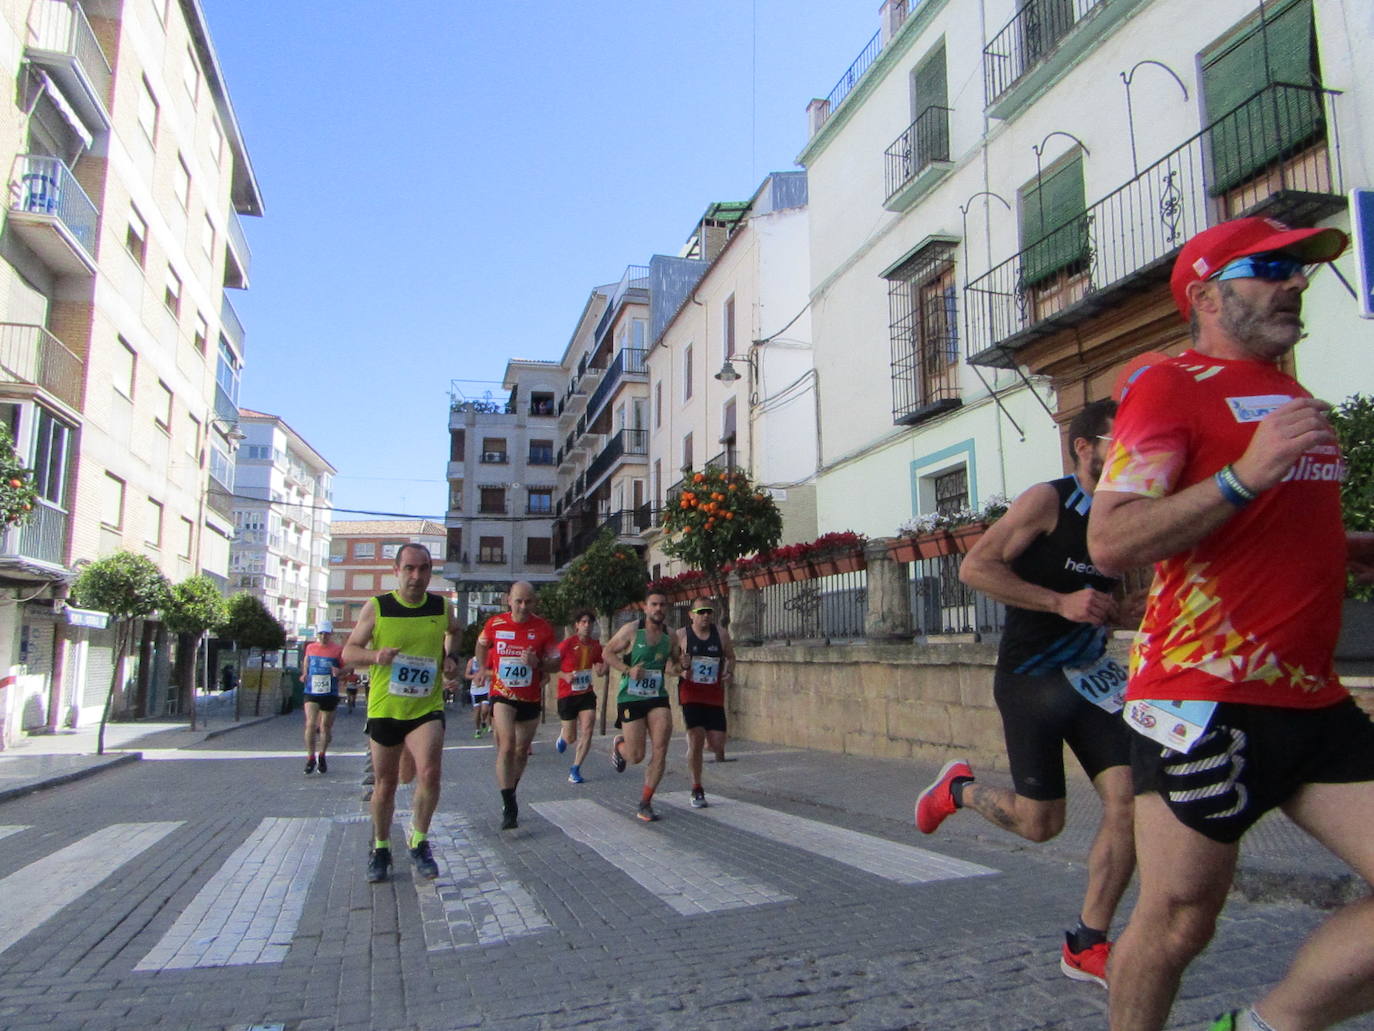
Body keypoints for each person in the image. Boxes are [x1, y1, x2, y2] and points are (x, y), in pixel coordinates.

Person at [1085, 216, 1374, 1031]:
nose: (1294, 281)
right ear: (1208, 293)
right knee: (1178, 920)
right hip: (1203, 699)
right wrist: (1247, 477)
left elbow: (1261, 528)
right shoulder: (1168, 385)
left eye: (1300, 269)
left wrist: (1345, 546)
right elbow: (1111, 538)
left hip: (1311, 699)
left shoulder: (1294, 393)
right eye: (1273, 266)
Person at [915, 399, 1135, 988]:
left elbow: (1134, 596)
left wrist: (1121, 609)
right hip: (1031, 680)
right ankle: (957, 789)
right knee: (1042, 825)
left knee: (1130, 801)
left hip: (1092, 681)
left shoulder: (1127, 512)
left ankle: (1089, 943)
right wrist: (1061, 602)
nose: (1133, 449)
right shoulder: (1049, 501)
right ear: (1084, 446)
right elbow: (974, 570)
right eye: (1122, 437)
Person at [343, 543, 461, 884]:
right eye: (409, 568)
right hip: (386, 708)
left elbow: (454, 631)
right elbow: (350, 652)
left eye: (423, 569)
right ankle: (380, 847)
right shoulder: (377, 607)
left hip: (426, 707)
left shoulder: (441, 606)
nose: (416, 576)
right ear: (396, 571)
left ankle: (419, 840)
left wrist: (450, 658)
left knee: (430, 772)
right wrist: (376, 656)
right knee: (386, 784)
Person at [474, 581, 560, 830]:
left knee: (522, 751)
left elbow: (555, 662)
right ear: (508, 600)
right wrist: (482, 667)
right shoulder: (495, 624)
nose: (523, 606)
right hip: (502, 694)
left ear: (535, 602)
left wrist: (538, 663)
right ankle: (509, 804)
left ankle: (510, 792)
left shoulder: (543, 628)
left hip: (530, 698)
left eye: (528, 601)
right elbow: (481, 644)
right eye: (518, 600)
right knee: (507, 745)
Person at [604, 590, 681, 822]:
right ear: (645, 608)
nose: (658, 609)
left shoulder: (671, 636)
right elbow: (607, 652)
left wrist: (681, 665)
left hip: (657, 696)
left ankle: (645, 802)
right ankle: (620, 747)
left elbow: (676, 664)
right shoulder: (630, 631)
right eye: (654, 604)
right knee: (636, 755)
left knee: (660, 748)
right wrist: (628, 670)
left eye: (662, 605)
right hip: (631, 697)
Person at [673, 597, 736, 809]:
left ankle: (694, 751)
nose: (706, 615)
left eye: (709, 611)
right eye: (701, 611)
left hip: (714, 695)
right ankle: (696, 787)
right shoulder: (682, 636)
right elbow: (669, 664)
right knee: (696, 737)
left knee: (717, 744)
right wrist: (681, 668)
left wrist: (729, 671)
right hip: (690, 694)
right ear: (691, 614)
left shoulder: (721, 634)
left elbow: (731, 657)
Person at [555, 609, 607, 784]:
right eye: (583, 622)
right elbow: (552, 666)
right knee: (571, 738)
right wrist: (565, 676)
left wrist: (607, 657)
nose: (587, 625)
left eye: (589, 622)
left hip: (585, 693)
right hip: (567, 694)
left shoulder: (595, 645)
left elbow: (600, 672)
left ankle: (575, 768)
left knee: (588, 728)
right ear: (576, 625)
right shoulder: (566, 645)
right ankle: (563, 736)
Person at [300, 622, 345, 774]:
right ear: (317, 634)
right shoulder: (310, 647)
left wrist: (339, 671)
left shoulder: (337, 650)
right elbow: (307, 661)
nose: (323, 636)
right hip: (311, 690)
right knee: (311, 724)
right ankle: (310, 758)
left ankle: (322, 755)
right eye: (321, 633)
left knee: (325, 726)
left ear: (331, 634)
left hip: (330, 692)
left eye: (326, 634)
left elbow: (348, 667)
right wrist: (305, 673)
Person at [465, 654, 491, 737]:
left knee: (485, 710)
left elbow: (491, 671)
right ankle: (477, 729)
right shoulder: (472, 661)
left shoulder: (487, 659)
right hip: (475, 690)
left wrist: (487, 675)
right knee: (477, 712)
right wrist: (475, 676)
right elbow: (466, 675)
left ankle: (483, 720)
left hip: (486, 689)